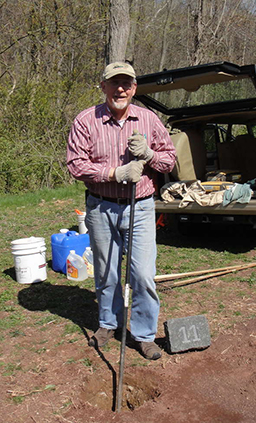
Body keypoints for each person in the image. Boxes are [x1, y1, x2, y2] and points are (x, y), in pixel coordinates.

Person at [67, 62, 176, 360]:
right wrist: (116, 173)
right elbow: (76, 165)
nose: (121, 89)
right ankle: (108, 323)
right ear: (103, 86)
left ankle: (143, 334)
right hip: (101, 206)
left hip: (139, 207)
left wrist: (149, 154)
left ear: (134, 88)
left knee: (141, 274)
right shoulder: (86, 121)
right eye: (114, 83)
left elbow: (169, 161)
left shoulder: (149, 120)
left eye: (126, 83)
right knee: (107, 271)